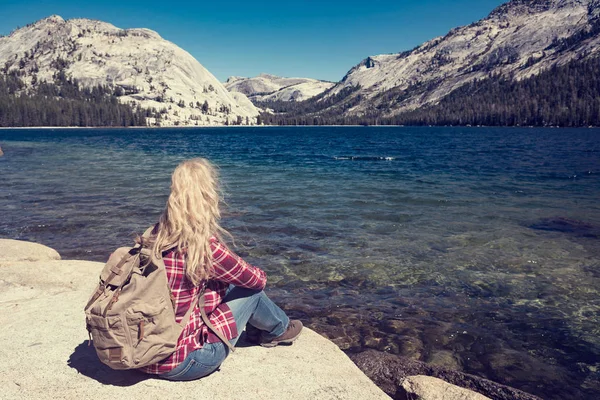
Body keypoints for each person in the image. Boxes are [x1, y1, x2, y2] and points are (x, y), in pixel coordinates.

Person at [139, 158, 302, 381]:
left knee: (228, 283)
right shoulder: (204, 247)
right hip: (187, 361)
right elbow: (257, 280)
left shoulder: (154, 235)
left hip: (144, 354)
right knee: (250, 291)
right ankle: (277, 329)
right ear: (208, 195)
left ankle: (260, 328)